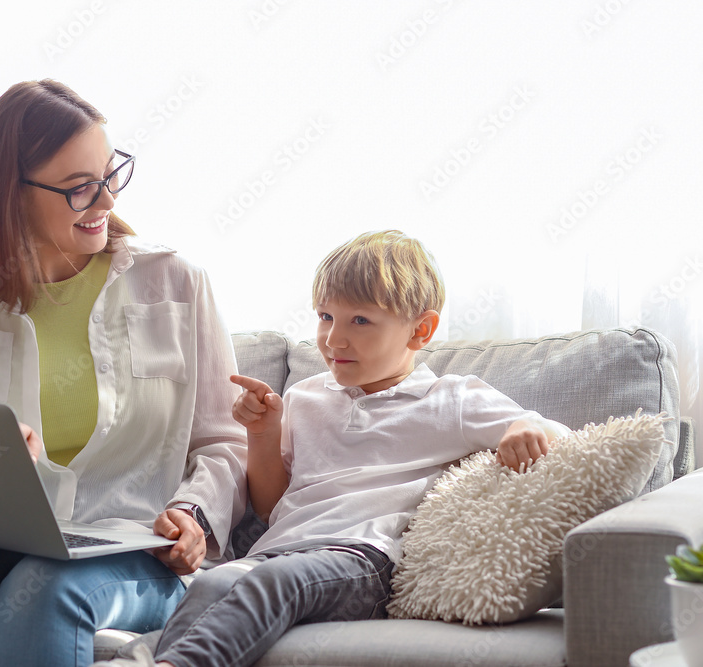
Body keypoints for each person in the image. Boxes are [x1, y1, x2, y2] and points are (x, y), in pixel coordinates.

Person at [0, 80, 248, 667]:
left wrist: (193, 517)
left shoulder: (176, 283)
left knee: (45, 588)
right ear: (13, 193)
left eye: (111, 176)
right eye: (81, 188)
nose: (106, 202)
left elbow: (224, 441)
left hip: (134, 547)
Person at [94, 230, 571, 667]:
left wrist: (524, 426)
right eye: (325, 316)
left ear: (420, 331)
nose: (332, 338)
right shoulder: (305, 397)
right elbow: (269, 504)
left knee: (269, 584)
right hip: (280, 548)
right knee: (217, 581)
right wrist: (263, 433)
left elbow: (557, 436)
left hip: (364, 556)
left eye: (360, 320)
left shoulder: (451, 399)